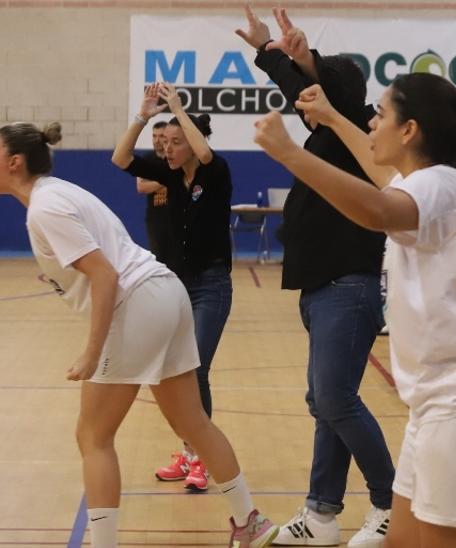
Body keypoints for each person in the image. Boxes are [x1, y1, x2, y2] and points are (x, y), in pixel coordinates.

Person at [255, 71, 456, 548]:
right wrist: (331, 118)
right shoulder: (433, 181)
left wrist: (290, 155)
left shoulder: (440, 183)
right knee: (401, 539)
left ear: (410, 130)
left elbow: (380, 209)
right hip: (437, 400)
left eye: (380, 115)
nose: (371, 125)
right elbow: (382, 177)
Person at [1, 121, 278, 548]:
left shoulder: (45, 206)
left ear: (14, 162)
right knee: (193, 422)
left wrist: (93, 352)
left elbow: (106, 277)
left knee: (92, 436)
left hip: (137, 304)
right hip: (165, 292)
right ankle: (250, 522)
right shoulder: (57, 193)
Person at [234, 8, 395, 544]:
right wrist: (269, 53)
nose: (305, 103)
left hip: (348, 285)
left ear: (334, 94)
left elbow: (315, 91)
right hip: (322, 285)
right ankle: (322, 516)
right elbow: (297, 90)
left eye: (314, 90)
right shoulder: (330, 132)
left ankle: (389, 503)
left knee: (334, 398)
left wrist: (292, 58)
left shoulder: (355, 129)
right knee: (327, 400)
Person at [110, 82, 232, 492]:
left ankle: (200, 459)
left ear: (190, 142)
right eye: (165, 144)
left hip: (211, 285)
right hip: (172, 287)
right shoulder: (166, 173)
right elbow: (120, 158)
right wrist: (144, 114)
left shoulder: (216, 173)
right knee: (176, 373)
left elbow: (205, 153)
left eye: (175, 142)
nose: (167, 149)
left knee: (197, 370)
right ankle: (190, 452)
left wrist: (179, 109)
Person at [136, 121, 180, 272]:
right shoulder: (147, 160)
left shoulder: (177, 157)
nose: (156, 140)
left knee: (178, 260)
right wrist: (166, 180)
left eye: (161, 136)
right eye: (154, 136)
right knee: (159, 259)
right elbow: (141, 187)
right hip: (156, 218)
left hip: (178, 217)